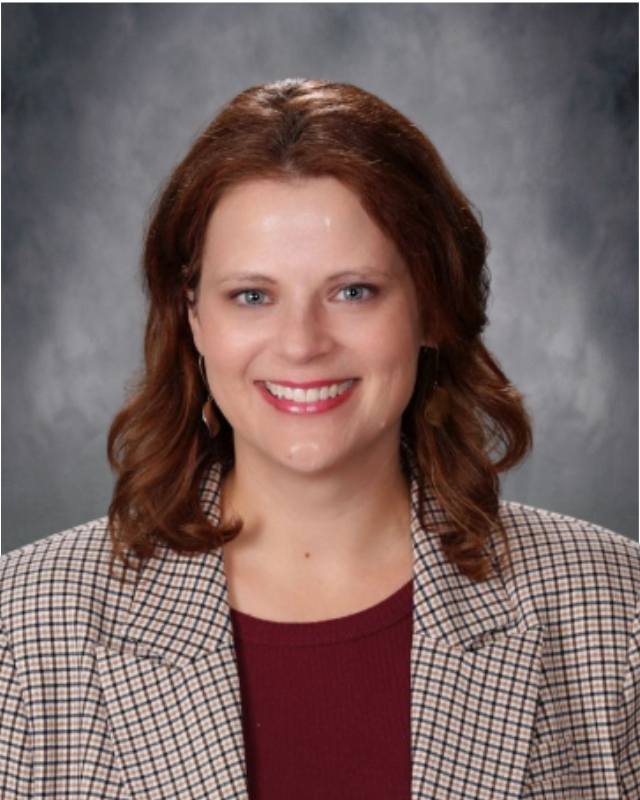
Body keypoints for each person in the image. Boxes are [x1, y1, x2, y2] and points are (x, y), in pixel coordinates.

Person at [0, 79, 637, 800]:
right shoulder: (24, 630)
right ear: (194, 318)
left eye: (353, 291)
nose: (302, 344)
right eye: (252, 295)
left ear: (430, 306)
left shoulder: (612, 608)